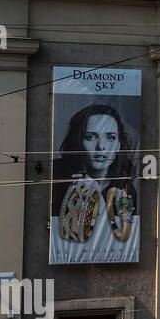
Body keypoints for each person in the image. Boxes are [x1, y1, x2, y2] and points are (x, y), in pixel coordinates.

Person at [51, 103, 138, 262]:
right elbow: (65, 238)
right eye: (91, 137)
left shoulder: (126, 188)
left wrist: (98, 199)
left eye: (110, 137)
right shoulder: (57, 175)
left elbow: (122, 242)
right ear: (78, 141)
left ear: (119, 144)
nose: (101, 147)